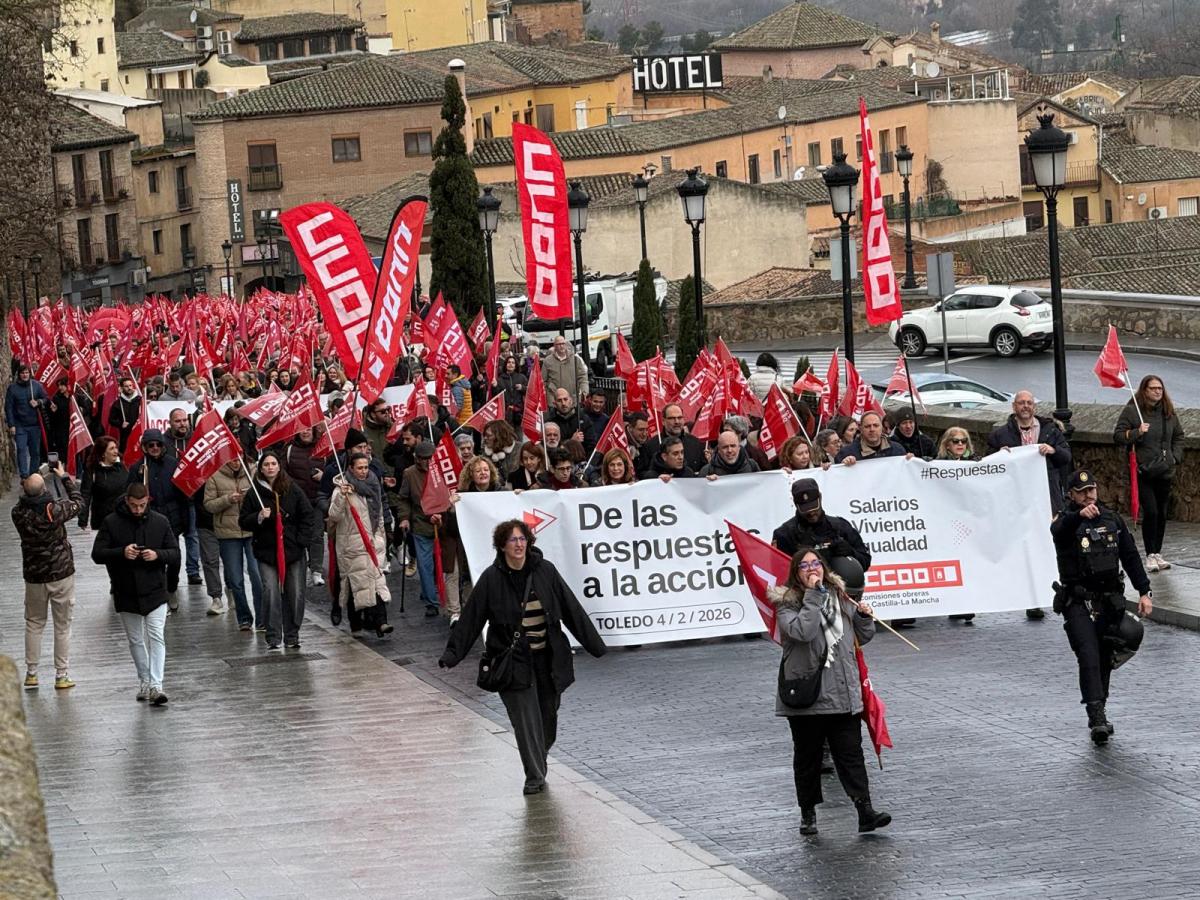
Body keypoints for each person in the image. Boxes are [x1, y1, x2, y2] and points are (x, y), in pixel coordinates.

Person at [439, 519, 607, 795]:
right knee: (526, 721)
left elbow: (570, 607)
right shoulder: (492, 579)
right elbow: (472, 617)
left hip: (548, 660)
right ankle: (534, 775)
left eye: (522, 539)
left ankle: (538, 760)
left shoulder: (545, 571)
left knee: (547, 718)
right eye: (513, 540)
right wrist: (452, 654)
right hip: (512, 661)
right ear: (502, 546)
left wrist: (595, 645)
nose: (518, 545)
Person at [769, 546, 890, 835]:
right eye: (804, 566)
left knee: (851, 755)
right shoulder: (787, 603)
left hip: (842, 693)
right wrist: (814, 597)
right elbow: (802, 632)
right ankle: (808, 813)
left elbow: (862, 637)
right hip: (808, 697)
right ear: (796, 573)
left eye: (816, 564)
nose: (812, 569)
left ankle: (865, 811)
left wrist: (863, 617)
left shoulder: (840, 596)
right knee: (808, 758)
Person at [1051, 469, 1152, 744]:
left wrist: (1144, 591)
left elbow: (1130, 556)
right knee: (1088, 654)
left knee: (1105, 655)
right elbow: (1057, 530)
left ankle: (1101, 707)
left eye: (1091, 490)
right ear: (1071, 495)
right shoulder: (1065, 521)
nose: (1088, 496)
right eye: (1082, 492)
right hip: (1078, 601)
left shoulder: (1112, 519)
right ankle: (1096, 716)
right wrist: (1078, 517)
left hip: (1107, 599)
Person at [986, 389, 1072, 620]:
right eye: (1021, 403)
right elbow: (986, 465)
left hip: (1045, 498)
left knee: (1045, 545)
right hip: (1015, 502)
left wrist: (1053, 450)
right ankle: (1027, 596)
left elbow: (1066, 457)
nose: (1025, 406)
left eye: (1029, 403)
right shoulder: (1000, 435)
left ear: (1034, 407)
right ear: (1014, 407)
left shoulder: (1050, 431)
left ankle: (1043, 595)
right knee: (1023, 548)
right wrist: (999, 455)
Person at [92, 483, 179, 705]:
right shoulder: (111, 522)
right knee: (136, 639)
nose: (138, 510)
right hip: (126, 589)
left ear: (148, 501)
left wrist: (157, 555)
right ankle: (145, 680)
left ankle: (156, 684)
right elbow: (97, 554)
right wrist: (121, 552)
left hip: (155, 589)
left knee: (156, 636)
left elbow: (174, 553)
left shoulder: (160, 521)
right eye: (133, 505)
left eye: (141, 505)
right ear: (127, 501)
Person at [14, 465, 84, 690]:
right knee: (62, 625)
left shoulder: (18, 513)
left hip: (34, 574)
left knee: (34, 623)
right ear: (45, 489)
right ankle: (61, 674)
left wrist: (31, 485)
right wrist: (64, 477)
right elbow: (78, 502)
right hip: (60, 572)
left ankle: (31, 673)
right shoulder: (54, 510)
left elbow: (27, 497)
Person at [238, 450, 315, 650]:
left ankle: (292, 634)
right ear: (261, 469)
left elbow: (307, 514)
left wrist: (301, 541)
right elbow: (243, 521)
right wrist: (258, 517)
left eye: (273, 464)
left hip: (292, 550)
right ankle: (273, 635)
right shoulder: (254, 493)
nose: (270, 467)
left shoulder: (292, 488)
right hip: (267, 551)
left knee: (295, 593)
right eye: (266, 464)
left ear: (279, 466)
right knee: (270, 591)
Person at [1114, 375, 1185, 573]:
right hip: (1143, 472)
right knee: (1151, 512)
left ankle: (1157, 552)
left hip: (1164, 470)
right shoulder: (1132, 411)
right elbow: (1118, 435)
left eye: (1160, 388)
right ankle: (1149, 554)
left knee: (1161, 513)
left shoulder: (1168, 412)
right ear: (1144, 390)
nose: (1157, 392)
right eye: (1153, 388)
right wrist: (1137, 432)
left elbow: (1179, 436)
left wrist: (1174, 457)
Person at [328, 453, 394, 637]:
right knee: (355, 584)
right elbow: (334, 515)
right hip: (353, 546)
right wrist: (342, 497)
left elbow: (378, 514)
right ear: (351, 468)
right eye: (360, 468)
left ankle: (381, 622)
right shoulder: (341, 489)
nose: (364, 471)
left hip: (372, 543)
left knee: (376, 581)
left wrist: (381, 537)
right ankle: (356, 624)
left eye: (366, 467)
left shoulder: (374, 485)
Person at [127, 429, 188, 610]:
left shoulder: (173, 464)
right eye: (150, 445)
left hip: (171, 518)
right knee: (154, 558)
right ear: (144, 447)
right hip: (149, 519)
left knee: (174, 558)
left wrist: (185, 520)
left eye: (158, 444)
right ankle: (160, 594)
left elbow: (182, 494)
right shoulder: (138, 468)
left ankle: (172, 588)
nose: (155, 448)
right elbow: (129, 494)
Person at [206, 457, 264, 632]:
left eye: (238, 458)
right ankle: (244, 618)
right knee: (235, 579)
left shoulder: (252, 472)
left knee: (257, 575)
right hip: (228, 534)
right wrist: (227, 499)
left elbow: (263, 496)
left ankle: (262, 619)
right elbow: (209, 505)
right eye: (231, 458)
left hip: (251, 530)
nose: (235, 462)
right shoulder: (214, 476)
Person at [396, 441, 448, 618]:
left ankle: (435, 591)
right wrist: (404, 518)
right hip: (421, 524)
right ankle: (431, 602)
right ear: (416, 459)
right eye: (423, 459)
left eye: (430, 458)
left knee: (443, 563)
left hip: (443, 524)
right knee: (425, 565)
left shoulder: (442, 470)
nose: (427, 462)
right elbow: (403, 498)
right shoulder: (410, 474)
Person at [773, 478, 871, 570]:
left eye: (814, 507)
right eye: (806, 509)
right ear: (796, 504)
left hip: (839, 581)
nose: (811, 513)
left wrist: (851, 552)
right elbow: (778, 572)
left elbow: (865, 561)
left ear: (820, 498)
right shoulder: (784, 535)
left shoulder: (840, 526)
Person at [283, 426, 325, 586]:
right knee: (300, 535)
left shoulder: (323, 446)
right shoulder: (289, 449)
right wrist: (294, 487)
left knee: (317, 535)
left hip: (316, 500)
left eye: (308, 429)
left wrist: (324, 476)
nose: (305, 432)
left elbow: (333, 470)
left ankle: (316, 570)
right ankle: (302, 567)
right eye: (302, 429)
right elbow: (283, 473)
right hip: (298, 502)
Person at [166, 408, 202, 586]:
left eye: (184, 420)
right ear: (170, 423)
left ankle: (193, 571)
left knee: (192, 535)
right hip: (171, 498)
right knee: (171, 537)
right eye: (178, 421)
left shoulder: (196, 440)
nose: (182, 424)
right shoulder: (163, 443)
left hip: (191, 497)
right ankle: (172, 571)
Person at [6, 363, 49, 478]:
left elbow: (46, 398)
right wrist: (11, 425)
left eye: (26, 373)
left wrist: (38, 402)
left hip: (35, 425)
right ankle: (24, 476)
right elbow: (8, 407)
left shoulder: (36, 385)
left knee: (35, 452)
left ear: (29, 374)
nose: (25, 375)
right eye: (22, 373)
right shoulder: (12, 388)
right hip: (20, 425)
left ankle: (33, 475)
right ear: (19, 374)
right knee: (21, 449)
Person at [637, 404, 706, 476]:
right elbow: (641, 474)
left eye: (679, 418)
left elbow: (703, 472)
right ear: (663, 421)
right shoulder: (650, 446)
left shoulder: (696, 443)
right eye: (672, 418)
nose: (677, 422)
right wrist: (657, 476)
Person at [78, 436, 127, 531]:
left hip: (123, 518)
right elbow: (86, 495)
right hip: (103, 520)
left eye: (116, 448)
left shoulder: (123, 467)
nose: (116, 451)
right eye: (112, 449)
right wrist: (83, 519)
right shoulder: (92, 471)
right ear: (103, 453)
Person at [835, 412, 906, 465]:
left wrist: (909, 461)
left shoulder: (897, 450)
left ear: (882, 427)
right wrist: (843, 466)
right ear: (861, 429)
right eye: (867, 426)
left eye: (876, 425)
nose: (872, 429)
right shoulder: (846, 453)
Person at [542, 335, 588, 401]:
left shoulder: (575, 359)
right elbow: (543, 380)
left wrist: (584, 390)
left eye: (563, 343)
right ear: (554, 346)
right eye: (559, 344)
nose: (561, 346)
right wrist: (549, 392)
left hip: (572, 398)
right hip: (554, 399)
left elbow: (582, 377)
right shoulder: (547, 361)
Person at [108, 377, 142, 453]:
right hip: (125, 435)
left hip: (138, 433)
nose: (129, 388)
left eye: (130, 385)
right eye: (126, 386)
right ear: (121, 388)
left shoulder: (140, 400)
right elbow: (111, 419)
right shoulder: (118, 403)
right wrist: (120, 424)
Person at [495, 354, 527, 427]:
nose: (511, 364)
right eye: (509, 362)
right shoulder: (500, 379)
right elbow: (496, 394)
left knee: (518, 433)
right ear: (505, 365)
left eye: (513, 363)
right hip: (505, 412)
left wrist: (522, 388)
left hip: (518, 412)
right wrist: (495, 386)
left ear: (516, 365)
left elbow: (530, 391)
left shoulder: (522, 377)